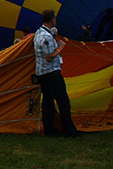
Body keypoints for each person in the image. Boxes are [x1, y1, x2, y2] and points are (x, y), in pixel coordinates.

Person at [33, 9, 80, 137]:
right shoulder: (46, 37)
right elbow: (49, 56)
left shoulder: (39, 33)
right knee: (63, 101)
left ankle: (49, 130)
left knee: (48, 102)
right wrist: (60, 48)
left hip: (42, 73)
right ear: (52, 19)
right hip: (51, 73)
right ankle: (70, 131)